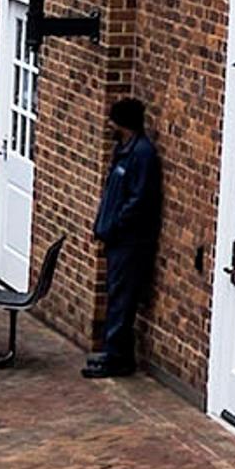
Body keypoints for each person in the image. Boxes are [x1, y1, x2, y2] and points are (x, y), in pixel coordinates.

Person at [86, 95, 160, 380]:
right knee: (115, 293)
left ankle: (116, 357)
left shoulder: (142, 155)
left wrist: (115, 225)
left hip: (130, 242)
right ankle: (113, 351)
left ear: (122, 123)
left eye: (112, 121)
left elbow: (139, 200)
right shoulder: (124, 150)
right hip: (118, 238)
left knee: (122, 297)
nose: (108, 125)